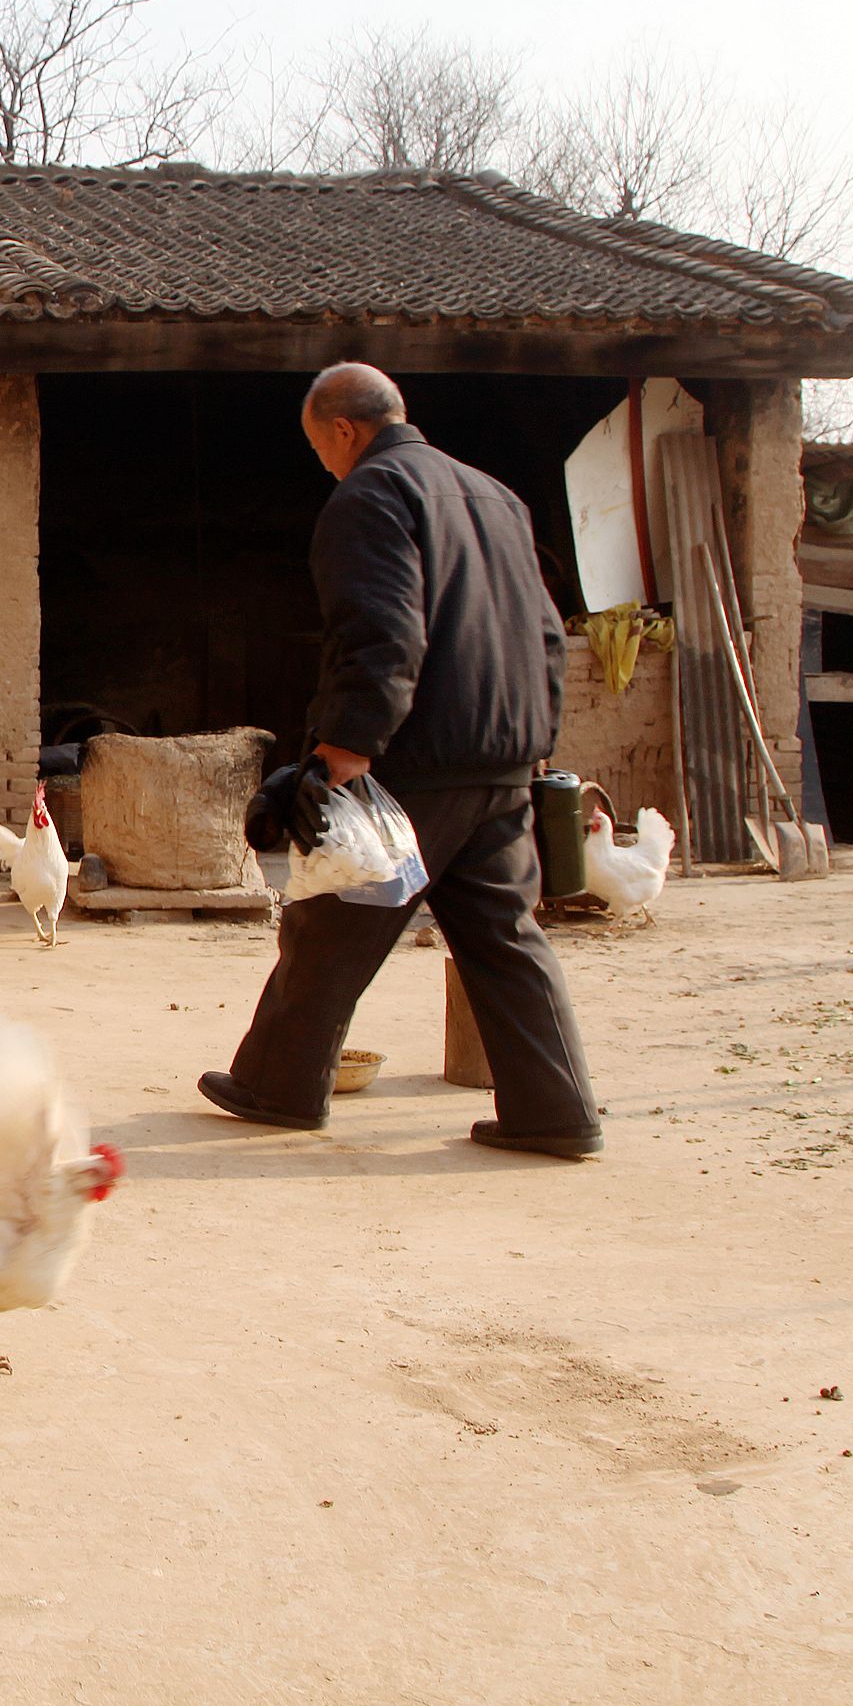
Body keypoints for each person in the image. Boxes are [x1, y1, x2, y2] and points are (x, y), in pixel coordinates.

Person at [198, 363, 602, 1156]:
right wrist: (533, 741)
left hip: (421, 758)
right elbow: (547, 638)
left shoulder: (371, 496)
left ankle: (279, 1086)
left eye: (321, 446)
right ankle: (556, 1114)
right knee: (504, 938)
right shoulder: (496, 497)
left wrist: (344, 750)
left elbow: (382, 632)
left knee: (330, 920)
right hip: (504, 759)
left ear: (344, 430)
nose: (324, 461)